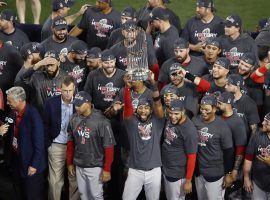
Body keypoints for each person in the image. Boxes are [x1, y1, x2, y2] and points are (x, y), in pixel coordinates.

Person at [121, 72, 165, 200]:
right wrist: (127, 87)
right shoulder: (131, 122)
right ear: (136, 110)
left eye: (146, 108)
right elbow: (128, 106)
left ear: (151, 110)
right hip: (135, 171)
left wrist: (153, 84)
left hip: (154, 171)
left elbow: (157, 103)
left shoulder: (158, 122)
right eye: (140, 107)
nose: (143, 110)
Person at [66, 91, 116, 200]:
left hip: (95, 166)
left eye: (80, 105)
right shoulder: (74, 118)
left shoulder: (102, 121)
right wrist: (69, 163)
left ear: (88, 103)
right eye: (76, 104)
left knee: (96, 196)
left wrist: (107, 169)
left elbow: (109, 147)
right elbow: (70, 142)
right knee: (83, 195)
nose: (77, 107)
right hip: (79, 164)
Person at [6, 86, 46, 199]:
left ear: (19, 100)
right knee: (18, 192)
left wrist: (34, 165)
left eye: (10, 101)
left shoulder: (33, 115)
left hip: (31, 165)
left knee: (31, 195)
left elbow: (39, 144)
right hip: (18, 160)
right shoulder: (13, 112)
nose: (8, 103)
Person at [193, 94, 234, 200]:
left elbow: (229, 152)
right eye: (201, 109)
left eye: (206, 109)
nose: (203, 112)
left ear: (215, 108)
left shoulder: (222, 126)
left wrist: (228, 173)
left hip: (215, 172)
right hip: (199, 171)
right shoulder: (195, 120)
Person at [44, 76, 79, 200]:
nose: (68, 93)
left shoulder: (81, 102)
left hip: (75, 147)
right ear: (60, 89)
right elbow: (45, 124)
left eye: (70, 90)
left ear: (74, 89)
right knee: (54, 181)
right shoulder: (51, 102)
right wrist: (49, 143)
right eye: (65, 90)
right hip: (56, 145)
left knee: (74, 180)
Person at [161, 99, 198, 200]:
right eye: (171, 113)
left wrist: (188, 180)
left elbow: (192, 157)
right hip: (166, 168)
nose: (173, 116)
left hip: (177, 173)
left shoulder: (189, 130)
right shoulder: (170, 119)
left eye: (176, 113)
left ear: (183, 111)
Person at [243, 112, 270, 199]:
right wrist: (246, 178)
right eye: (264, 121)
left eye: (267, 122)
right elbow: (248, 158)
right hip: (258, 182)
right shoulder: (256, 136)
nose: (262, 123)